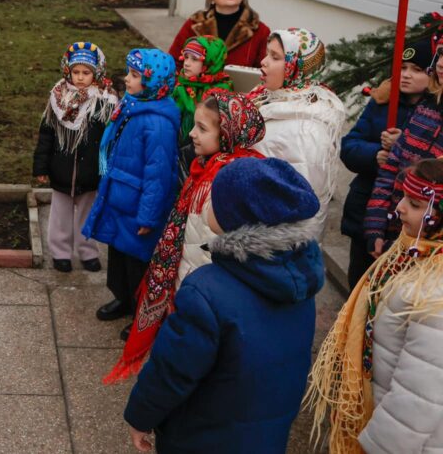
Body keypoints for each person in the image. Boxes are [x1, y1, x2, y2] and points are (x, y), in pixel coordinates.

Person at [125, 157, 324, 454]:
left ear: (237, 218)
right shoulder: (302, 278)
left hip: (204, 434)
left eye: (215, 199)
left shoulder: (205, 293)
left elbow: (172, 371)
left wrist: (140, 417)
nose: (208, 203)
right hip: (266, 431)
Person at [106, 90, 265, 382]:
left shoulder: (225, 186)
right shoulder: (208, 169)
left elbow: (211, 251)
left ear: (229, 134)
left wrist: (188, 293)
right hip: (189, 286)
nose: (191, 133)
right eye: (194, 124)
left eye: (202, 128)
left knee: (189, 368)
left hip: (201, 296)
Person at [307, 157, 443, 454]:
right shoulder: (412, 256)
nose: (400, 208)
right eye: (404, 196)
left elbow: (418, 399)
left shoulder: (434, 292)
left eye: (416, 204)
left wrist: (377, 447)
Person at [82, 48, 179, 331]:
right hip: (121, 197)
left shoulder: (158, 124)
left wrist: (149, 217)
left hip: (138, 207)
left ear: (153, 83)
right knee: (118, 258)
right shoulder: (134, 105)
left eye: (135, 75)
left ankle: (141, 312)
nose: (127, 79)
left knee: (136, 263)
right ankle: (122, 298)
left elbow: (158, 177)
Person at [339, 39, 432, 289]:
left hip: (405, 219)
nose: (406, 75)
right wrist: (375, 154)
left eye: (416, 69)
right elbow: (349, 146)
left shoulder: (431, 114)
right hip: (365, 208)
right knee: (357, 283)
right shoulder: (382, 101)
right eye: (402, 68)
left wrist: (403, 147)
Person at [250, 27, 346, 234]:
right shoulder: (265, 98)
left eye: (275, 57)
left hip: (270, 243)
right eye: (267, 53)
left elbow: (300, 206)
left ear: (297, 67)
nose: (263, 61)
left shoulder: (307, 129)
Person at [32, 42, 118, 273]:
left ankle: (87, 251)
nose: (80, 78)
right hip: (61, 170)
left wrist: (107, 169)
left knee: (88, 215)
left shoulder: (105, 101)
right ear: (67, 71)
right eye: (76, 72)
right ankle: (60, 253)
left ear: (97, 73)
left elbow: (110, 140)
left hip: (90, 173)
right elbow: (46, 136)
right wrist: (40, 167)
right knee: (59, 216)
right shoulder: (58, 98)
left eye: (86, 73)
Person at [364, 41, 443, 259]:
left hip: (430, 250)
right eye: (441, 55)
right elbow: (390, 169)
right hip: (392, 236)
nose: (442, 64)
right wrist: (376, 224)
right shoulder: (427, 109)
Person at [168, 0, 271, 68]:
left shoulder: (260, 30)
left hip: (242, 87)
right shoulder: (195, 25)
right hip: (198, 86)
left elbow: (264, 70)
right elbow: (174, 61)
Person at [170, 35, 233, 175]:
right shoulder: (181, 87)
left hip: (203, 159)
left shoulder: (221, 92)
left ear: (209, 63)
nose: (186, 63)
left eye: (194, 59)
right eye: (185, 57)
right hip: (174, 150)